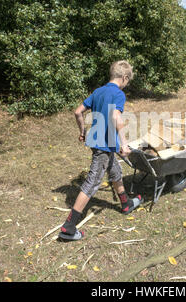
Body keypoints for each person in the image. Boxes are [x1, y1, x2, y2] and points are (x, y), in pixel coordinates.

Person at [59, 60, 143, 241]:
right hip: (103, 146)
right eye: (128, 81)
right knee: (92, 183)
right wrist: (124, 143)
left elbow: (77, 112)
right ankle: (69, 227)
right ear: (125, 77)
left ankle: (125, 204)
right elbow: (115, 116)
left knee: (115, 170)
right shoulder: (118, 94)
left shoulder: (98, 92)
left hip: (100, 143)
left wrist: (82, 132)